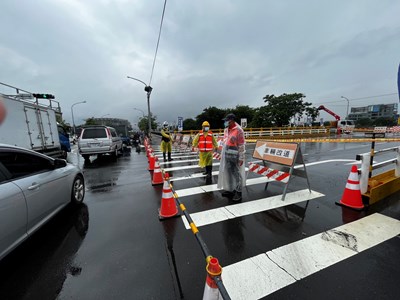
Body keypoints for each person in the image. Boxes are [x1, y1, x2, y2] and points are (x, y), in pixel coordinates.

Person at [217, 113, 246, 201]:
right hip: (226, 154)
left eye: (227, 121)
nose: (225, 122)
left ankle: (238, 192)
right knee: (228, 173)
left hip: (235, 155)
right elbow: (225, 142)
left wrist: (241, 157)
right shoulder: (226, 130)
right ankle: (230, 189)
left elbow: (241, 145)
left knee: (236, 173)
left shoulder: (238, 130)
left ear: (232, 120)